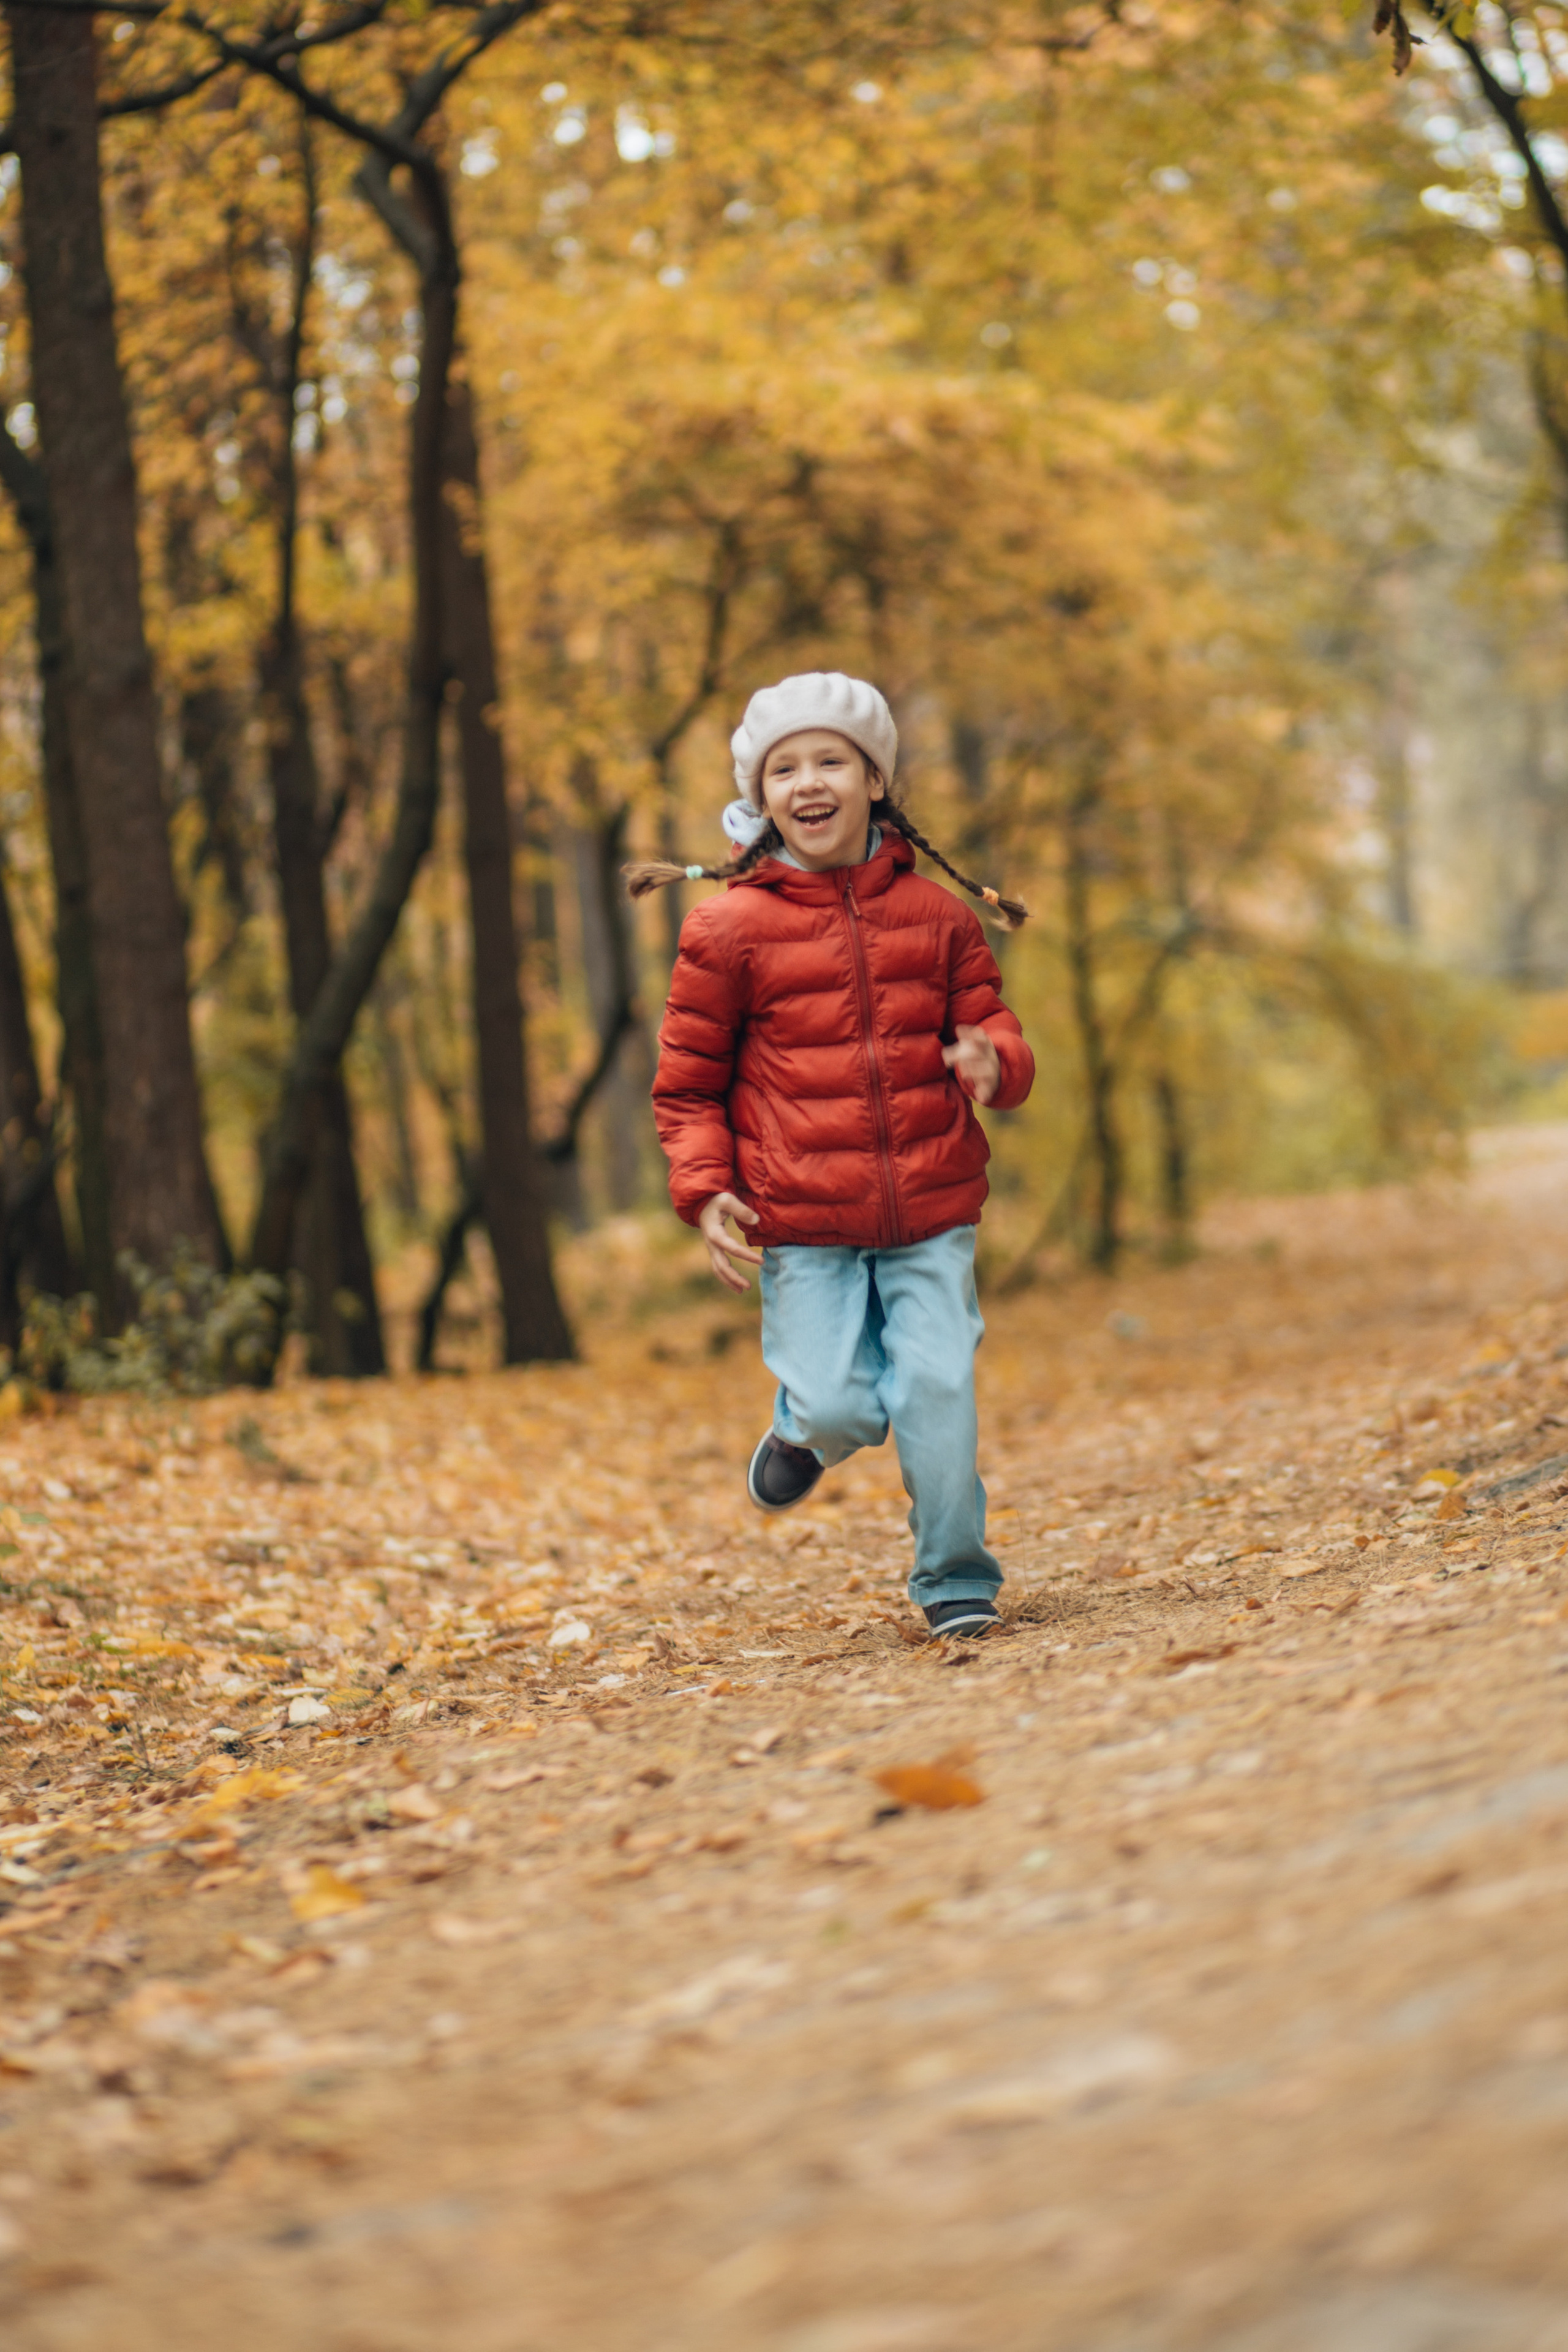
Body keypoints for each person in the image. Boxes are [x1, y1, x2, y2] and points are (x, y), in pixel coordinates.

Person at [628, 672, 1034, 1639]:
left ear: (875, 782)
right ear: (762, 797)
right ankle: (801, 1431)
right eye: (785, 769)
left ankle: (955, 1579)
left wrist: (995, 1062)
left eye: (831, 762)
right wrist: (705, 1189)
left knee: (937, 1390)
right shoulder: (726, 929)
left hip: (930, 1208)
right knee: (839, 1407)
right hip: (804, 1219)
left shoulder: (938, 919)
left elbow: (994, 1025)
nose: (808, 782)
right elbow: (688, 1085)